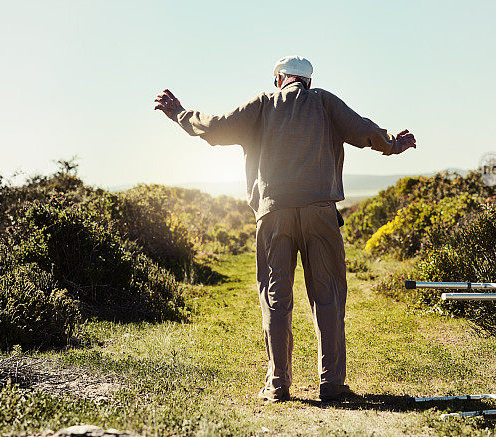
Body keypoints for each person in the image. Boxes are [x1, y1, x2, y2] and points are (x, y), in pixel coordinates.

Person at [154, 56, 416, 403]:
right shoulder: (323, 101)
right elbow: (364, 130)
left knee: (276, 299)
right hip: (320, 212)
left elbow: (215, 128)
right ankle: (332, 385)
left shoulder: (262, 104)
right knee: (329, 297)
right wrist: (393, 144)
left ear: (280, 79)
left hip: (273, 213)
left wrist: (179, 114)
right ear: (307, 81)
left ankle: (278, 384)